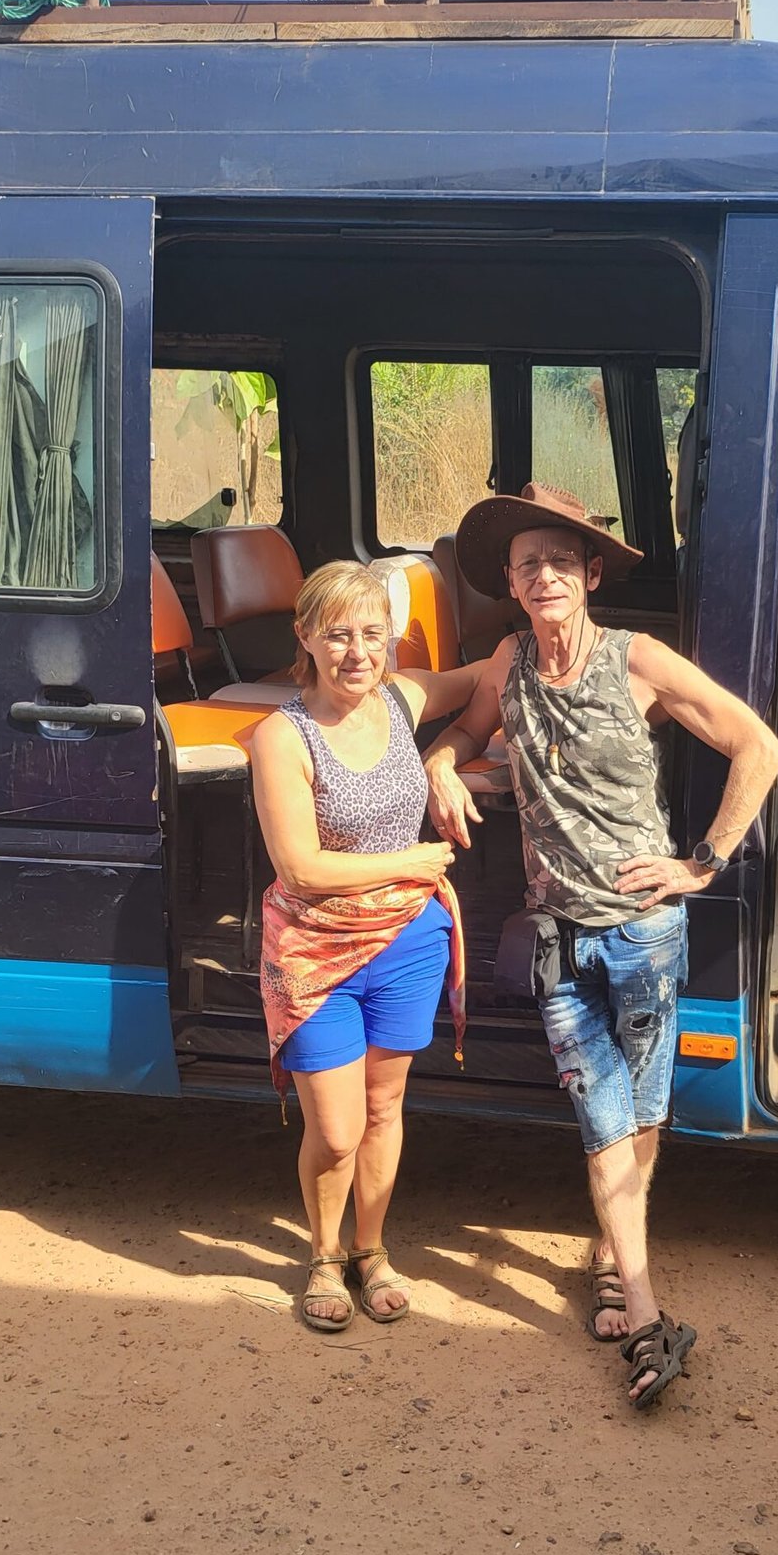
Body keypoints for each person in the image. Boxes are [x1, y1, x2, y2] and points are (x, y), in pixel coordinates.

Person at [424, 484, 778, 1409]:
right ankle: (642, 1293)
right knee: (604, 1117)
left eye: (560, 561)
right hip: (557, 937)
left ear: (590, 574)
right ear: (510, 584)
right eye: (527, 565)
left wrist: (702, 862)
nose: (544, 576)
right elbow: (467, 726)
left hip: (643, 931)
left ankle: (613, 1257)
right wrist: (440, 762)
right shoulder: (507, 661)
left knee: (642, 1110)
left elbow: (760, 748)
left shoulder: (638, 661)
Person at [250, 561, 480, 1333]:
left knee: (384, 1109)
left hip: (408, 943)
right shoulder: (282, 736)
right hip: (317, 950)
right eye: (339, 634)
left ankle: (369, 1249)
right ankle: (323, 1254)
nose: (358, 652)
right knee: (338, 1128)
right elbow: (301, 868)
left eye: (374, 634)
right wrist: (412, 861)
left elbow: (490, 673)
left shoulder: (403, 698)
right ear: (305, 636)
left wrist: (447, 756)